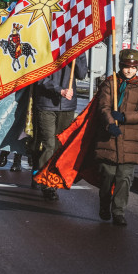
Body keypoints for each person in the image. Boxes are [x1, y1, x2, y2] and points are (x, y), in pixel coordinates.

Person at [95, 49, 138, 226]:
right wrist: (111, 123)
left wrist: (126, 117)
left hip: (130, 140)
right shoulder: (109, 83)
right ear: (121, 66)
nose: (129, 71)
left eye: (133, 68)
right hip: (108, 139)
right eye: (127, 67)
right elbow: (103, 106)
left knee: (124, 178)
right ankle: (104, 205)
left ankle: (118, 212)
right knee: (108, 176)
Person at [30, 53, 88, 200]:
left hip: (67, 106)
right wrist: (59, 90)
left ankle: (44, 175)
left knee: (59, 146)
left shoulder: (75, 47)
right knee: (49, 145)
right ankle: (47, 184)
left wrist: (80, 54)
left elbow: (81, 74)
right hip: (46, 104)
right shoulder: (46, 45)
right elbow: (40, 77)